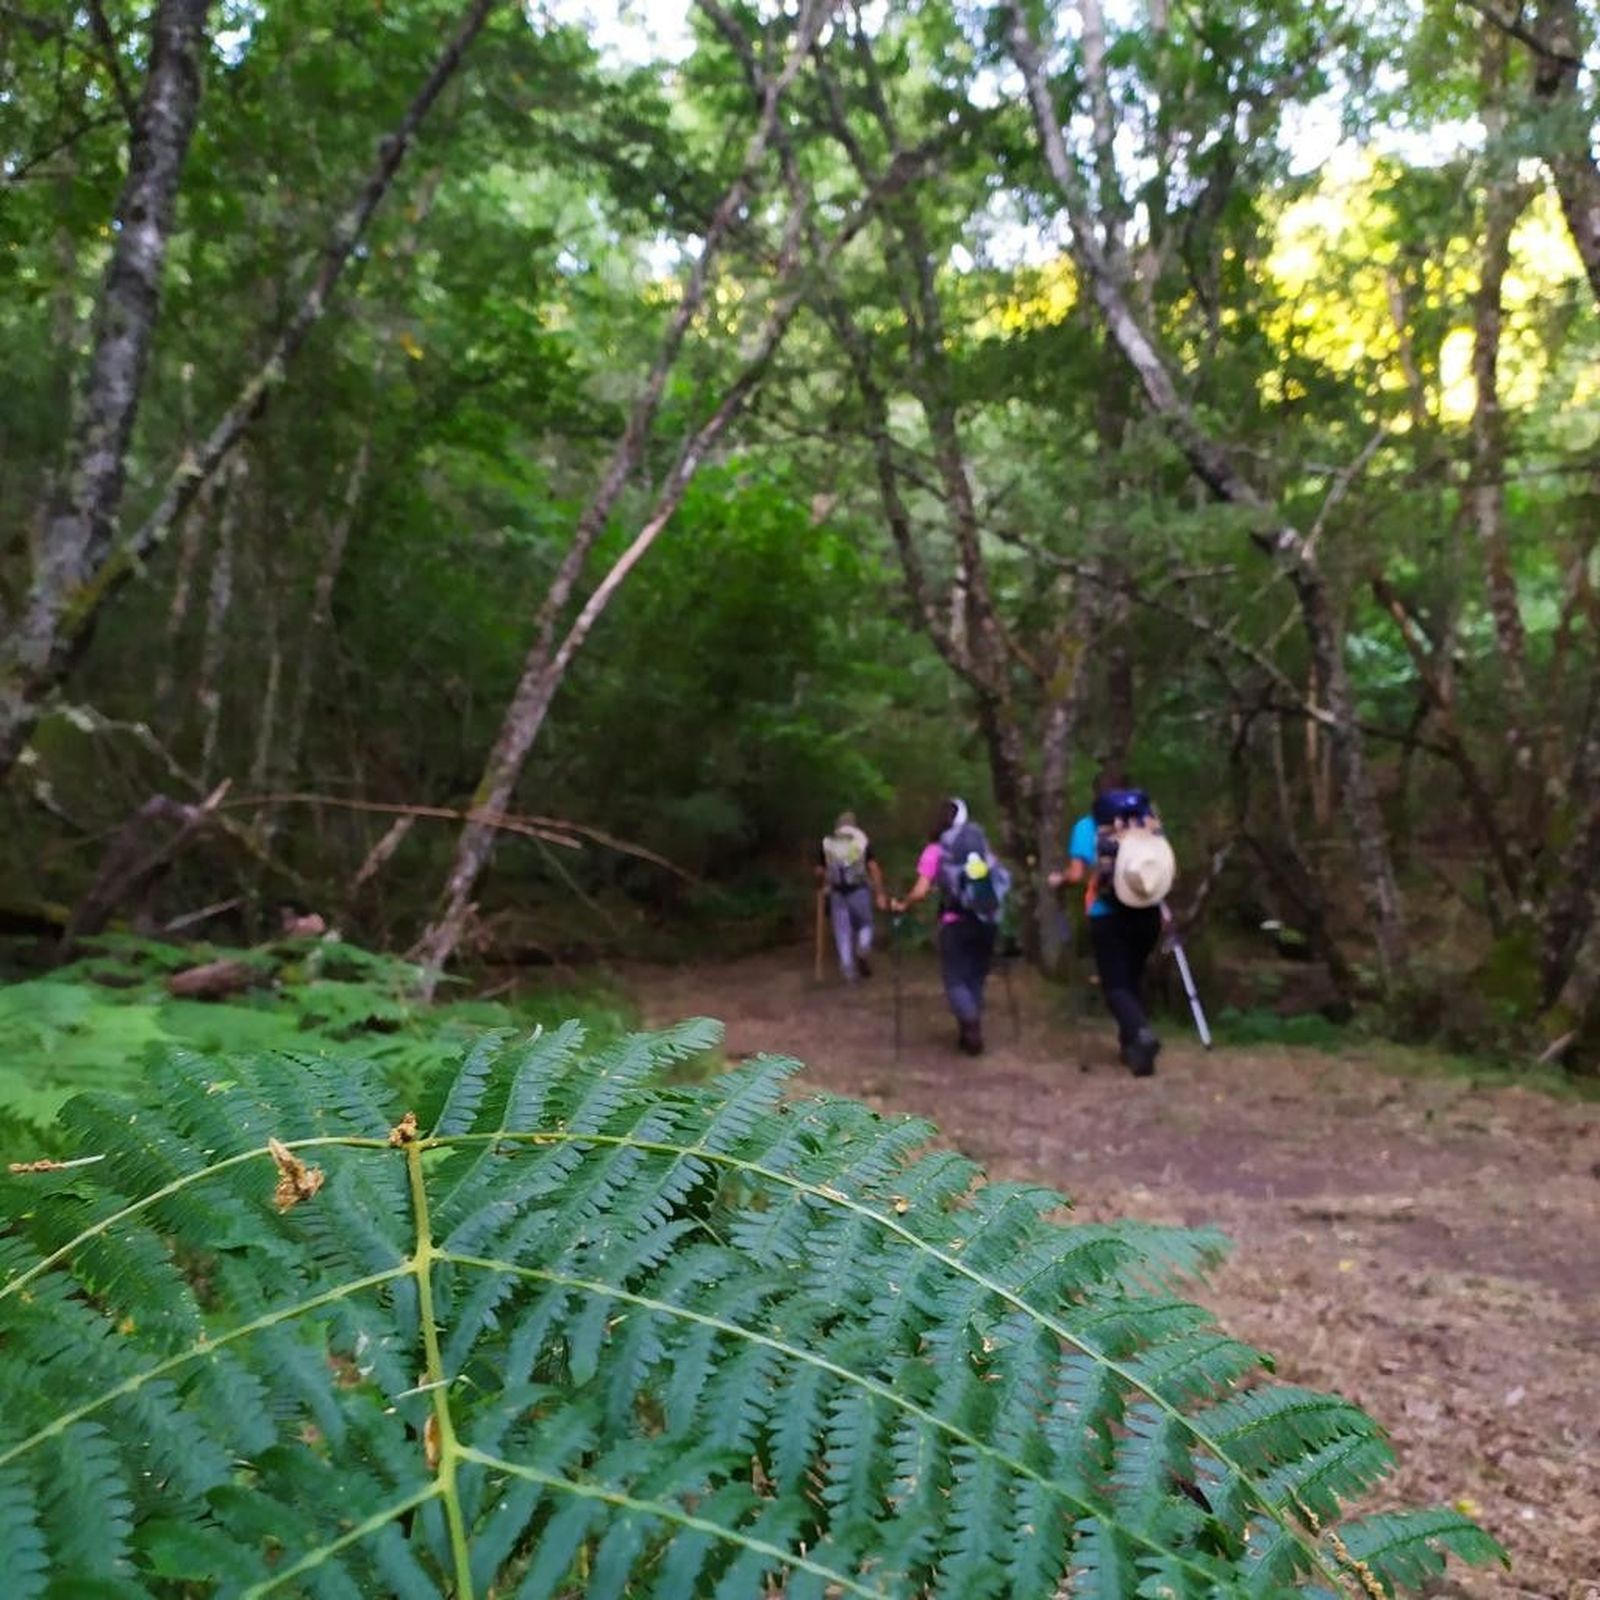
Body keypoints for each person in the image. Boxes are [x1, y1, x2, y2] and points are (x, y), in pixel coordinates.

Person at [1050, 769, 1174, 1076]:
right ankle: (1133, 1051)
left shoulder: (1087, 825)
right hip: (1148, 911)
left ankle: (1141, 1033)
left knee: (1115, 985)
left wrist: (1058, 880)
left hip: (1108, 913)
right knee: (1132, 979)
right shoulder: (1148, 822)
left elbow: (1077, 874)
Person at [891, 798, 1010, 1056]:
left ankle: (971, 1027)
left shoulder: (935, 850)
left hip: (954, 922)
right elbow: (997, 875)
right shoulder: (981, 846)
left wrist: (903, 904)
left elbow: (921, 891)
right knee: (975, 978)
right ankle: (968, 1032)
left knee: (955, 979)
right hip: (986, 920)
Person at [817, 812, 886, 983]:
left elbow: (819, 870)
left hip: (836, 893)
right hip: (859, 890)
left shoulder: (828, 843)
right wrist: (879, 893)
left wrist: (825, 881)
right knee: (866, 924)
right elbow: (873, 868)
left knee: (843, 932)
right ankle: (862, 949)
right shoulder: (861, 841)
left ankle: (849, 971)